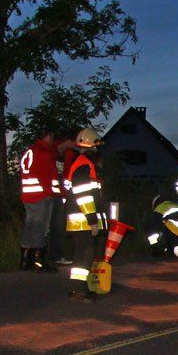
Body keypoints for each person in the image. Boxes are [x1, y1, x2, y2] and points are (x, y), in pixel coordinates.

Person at [66, 128, 107, 301]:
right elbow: (83, 195)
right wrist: (92, 220)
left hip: (81, 218)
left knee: (84, 254)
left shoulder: (82, 163)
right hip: (82, 219)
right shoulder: (84, 164)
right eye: (96, 146)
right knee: (84, 254)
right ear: (92, 146)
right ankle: (78, 290)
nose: (98, 150)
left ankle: (79, 288)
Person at [19, 129, 61, 273]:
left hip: (28, 195)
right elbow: (48, 175)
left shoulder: (30, 151)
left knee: (30, 227)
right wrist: (54, 192)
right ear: (48, 136)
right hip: (41, 195)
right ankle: (38, 262)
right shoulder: (44, 152)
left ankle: (26, 260)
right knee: (40, 228)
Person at [49, 130, 77, 266]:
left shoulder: (69, 154)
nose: (75, 145)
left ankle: (57, 255)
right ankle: (48, 255)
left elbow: (67, 175)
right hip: (48, 194)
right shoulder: (51, 150)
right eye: (74, 142)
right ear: (68, 140)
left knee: (59, 226)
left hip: (61, 195)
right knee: (51, 226)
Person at [144, 196, 178, 260]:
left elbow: (154, 225)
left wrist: (155, 248)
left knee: (150, 225)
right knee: (173, 247)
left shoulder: (159, 208)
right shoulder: (176, 206)